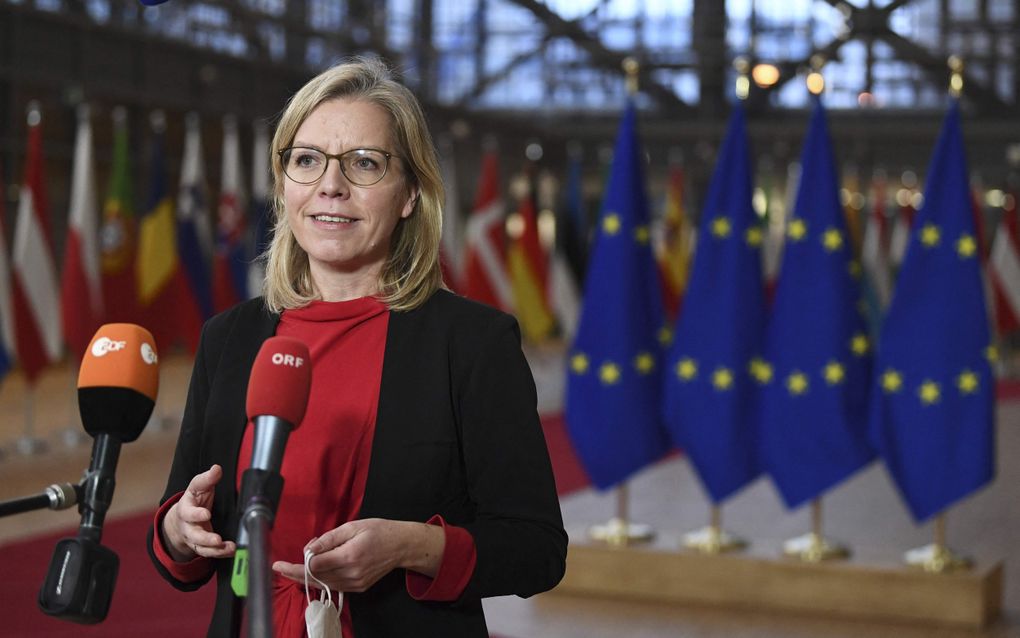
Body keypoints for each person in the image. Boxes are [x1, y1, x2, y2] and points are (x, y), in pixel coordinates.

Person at [146, 57, 567, 637]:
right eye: (307, 160)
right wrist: (179, 529)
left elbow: (537, 548)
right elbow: (178, 532)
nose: (330, 186)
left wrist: (416, 547)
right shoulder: (230, 337)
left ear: (409, 195)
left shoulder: (472, 343)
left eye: (365, 163)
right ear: (284, 184)